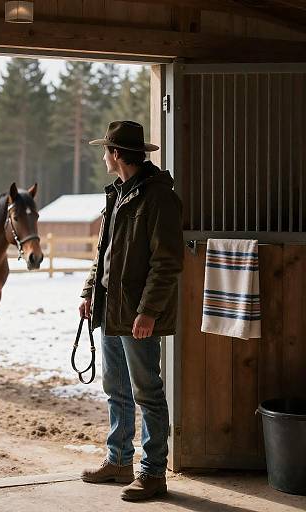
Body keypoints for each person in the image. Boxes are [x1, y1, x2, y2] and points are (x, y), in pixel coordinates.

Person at [79, 120, 184, 502]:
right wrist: (90, 291)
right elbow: (102, 253)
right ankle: (119, 460)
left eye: (106, 150)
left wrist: (148, 312)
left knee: (148, 392)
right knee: (116, 389)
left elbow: (167, 263)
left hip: (137, 315)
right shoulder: (118, 195)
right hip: (110, 310)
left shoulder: (158, 199)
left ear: (117, 154)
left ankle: (154, 472)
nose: (104, 156)